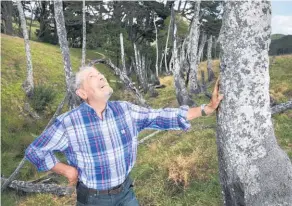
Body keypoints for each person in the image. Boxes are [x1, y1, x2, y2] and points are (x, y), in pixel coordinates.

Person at [25, 66, 223, 206]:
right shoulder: (68, 122)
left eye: (101, 74)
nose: (101, 77)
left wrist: (207, 109)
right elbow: (35, 150)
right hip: (93, 200)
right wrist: (66, 170)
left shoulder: (125, 110)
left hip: (126, 193)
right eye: (93, 77)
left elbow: (162, 116)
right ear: (82, 93)